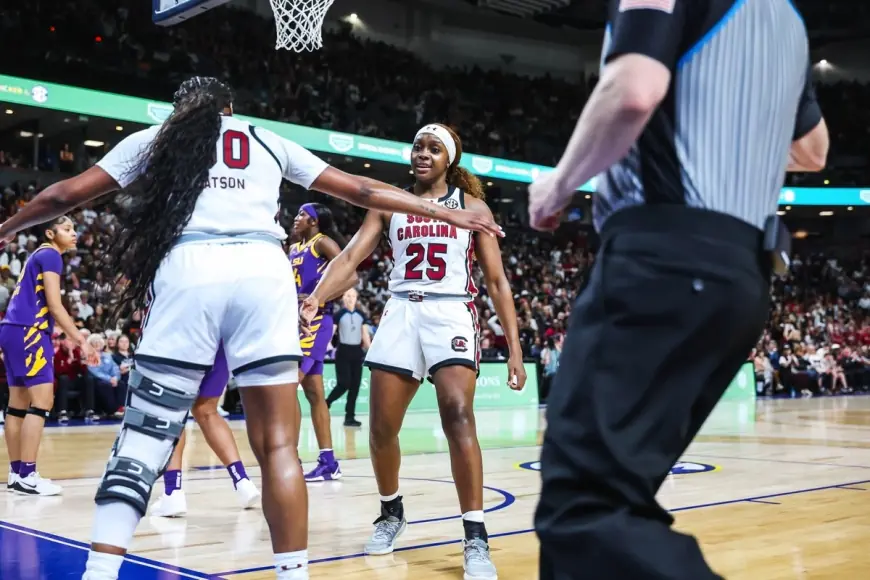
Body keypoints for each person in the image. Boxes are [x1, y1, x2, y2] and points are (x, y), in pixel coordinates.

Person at [0, 77, 500, 580]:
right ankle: (293, 572)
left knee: (145, 435)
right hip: (265, 274)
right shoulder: (265, 137)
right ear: (232, 108)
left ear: (179, 111)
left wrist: (5, 229)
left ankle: (101, 571)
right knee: (279, 445)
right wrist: (439, 209)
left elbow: (64, 194)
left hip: (191, 269)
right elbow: (364, 189)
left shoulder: (160, 137)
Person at [526, 2, 827, 578]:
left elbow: (635, 90)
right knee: (612, 503)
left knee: (584, 508)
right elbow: (814, 150)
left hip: (664, 256)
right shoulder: (789, 19)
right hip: (744, 274)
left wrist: (558, 186)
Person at [302, 123, 526, 580]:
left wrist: (516, 350)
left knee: (458, 414)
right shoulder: (389, 201)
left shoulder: (472, 207)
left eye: (434, 148)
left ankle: (475, 536)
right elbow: (349, 259)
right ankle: (391, 512)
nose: (423, 153)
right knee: (382, 427)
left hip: (451, 313)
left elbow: (497, 282)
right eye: (419, 146)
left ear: (450, 160)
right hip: (402, 310)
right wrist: (317, 296)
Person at [2, 217, 98, 496]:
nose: (74, 233)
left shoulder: (37, 255)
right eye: (67, 229)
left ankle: (17, 473)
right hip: (30, 331)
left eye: (73, 228)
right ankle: (28, 475)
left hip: (11, 329)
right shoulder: (51, 255)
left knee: (17, 405)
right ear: (50, 232)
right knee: (42, 402)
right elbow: (55, 306)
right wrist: (82, 341)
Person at [150, 343, 261, 517]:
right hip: (221, 343)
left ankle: (173, 491)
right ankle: (242, 481)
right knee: (207, 410)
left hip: (185, 338)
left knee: (173, 411)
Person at [287, 203, 355, 482]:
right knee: (314, 392)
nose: (296, 217)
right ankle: (328, 461)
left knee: (287, 387)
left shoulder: (322, 243)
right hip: (295, 321)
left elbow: (350, 274)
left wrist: (321, 298)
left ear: (314, 221)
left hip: (316, 322)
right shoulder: (293, 248)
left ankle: (289, 457)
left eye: (302, 214)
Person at [325, 288, 370, 428]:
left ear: (356, 298)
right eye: (348, 296)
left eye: (353, 296)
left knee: (355, 387)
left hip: (357, 352)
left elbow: (365, 336)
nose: (351, 298)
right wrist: (327, 346)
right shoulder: (339, 315)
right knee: (344, 383)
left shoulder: (361, 315)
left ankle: (349, 417)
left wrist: (372, 351)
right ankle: (326, 402)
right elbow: (330, 333)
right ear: (343, 298)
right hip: (343, 352)